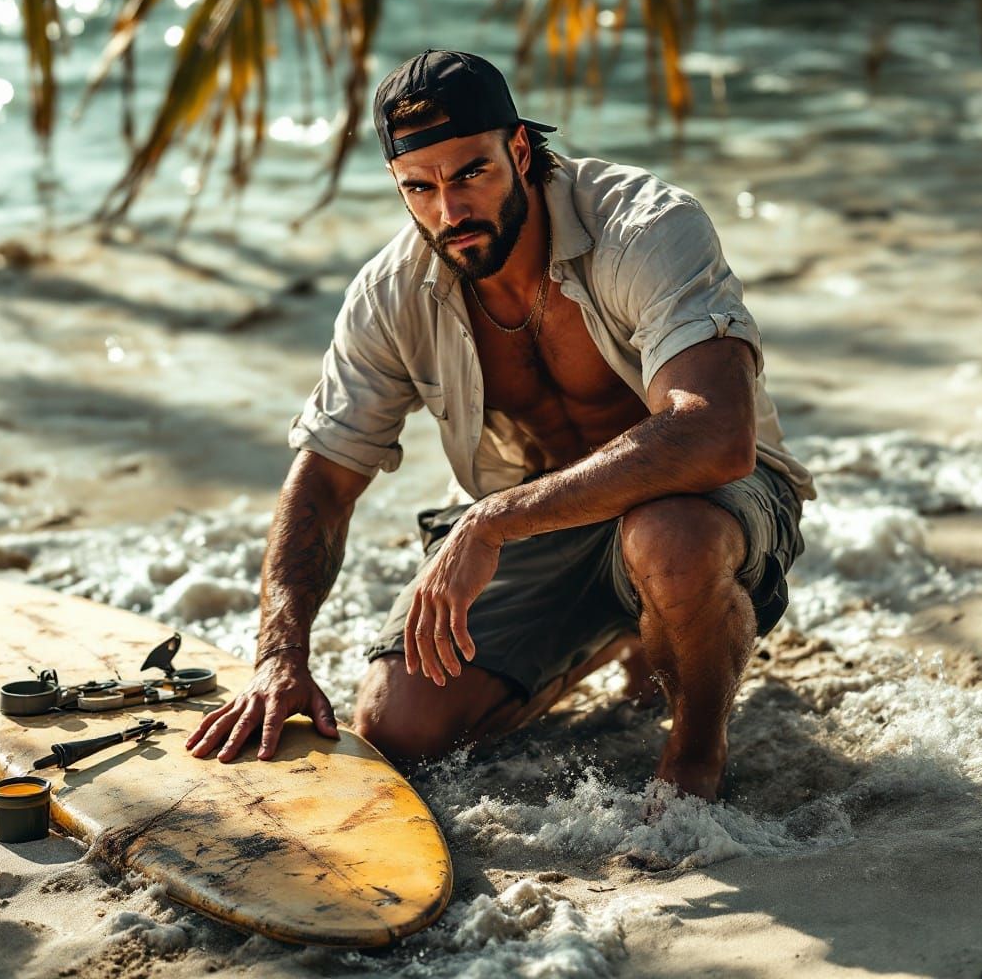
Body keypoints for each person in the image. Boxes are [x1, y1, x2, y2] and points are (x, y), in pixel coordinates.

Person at [186, 50, 814, 801]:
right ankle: (612, 630)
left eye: (469, 175)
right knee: (398, 727)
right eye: (418, 188)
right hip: (539, 527)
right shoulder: (392, 293)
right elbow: (322, 478)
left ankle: (695, 754)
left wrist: (486, 524)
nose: (448, 212)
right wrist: (278, 657)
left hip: (707, 502)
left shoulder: (643, 225)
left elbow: (714, 434)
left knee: (669, 537)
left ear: (519, 150)